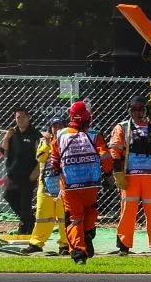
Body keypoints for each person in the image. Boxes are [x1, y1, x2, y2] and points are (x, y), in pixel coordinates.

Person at [45, 100, 110, 264]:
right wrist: (108, 175)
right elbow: (106, 157)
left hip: (70, 185)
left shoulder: (60, 135)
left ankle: (79, 253)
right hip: (91, 184)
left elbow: (54, 158)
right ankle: (88, 232)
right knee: (90, 210)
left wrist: (56, 168)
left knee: (74, 218)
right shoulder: (95, 135)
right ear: (87, 116)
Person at [109, 95, 151, 255]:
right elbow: (115, 150)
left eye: (141, 109)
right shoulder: (122, 127)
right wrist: (118, 173)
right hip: (130, 178)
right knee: (127, 211)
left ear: (147, 110)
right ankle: (124, 246)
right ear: (129, 110)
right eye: (134, 109)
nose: (138, 112)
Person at [21, 114, 66, 253]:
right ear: (50, 128)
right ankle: (36, 244)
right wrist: (47, 144)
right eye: (54, 126)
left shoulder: (68, 140)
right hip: (45, 184)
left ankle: (65, 245)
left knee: (64, 215)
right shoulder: (44, 141)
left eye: (60, 126)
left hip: (63, 185)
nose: (57, 128)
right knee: (42, 215)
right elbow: (40, 158)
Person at [0, 107, 41, 238]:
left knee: (25, 203)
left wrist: (36, 171)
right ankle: (29, 221)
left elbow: (41, 156)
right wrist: (6, 137)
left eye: (23, 117)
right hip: (13, 173)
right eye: (18, 117)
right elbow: (4, 151)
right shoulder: (12, 133)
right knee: (9, 195)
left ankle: (25, 228)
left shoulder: (35, 135)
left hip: (28, 175)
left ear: (28, 118)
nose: (20, 120)